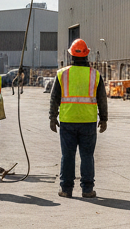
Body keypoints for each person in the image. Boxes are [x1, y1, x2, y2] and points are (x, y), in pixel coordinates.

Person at [49, 39, 108, 199]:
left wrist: (52, 117)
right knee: (87, 156)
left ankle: (66, 189)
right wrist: (104, 119)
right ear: (87, 54)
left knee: (67, 156)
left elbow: (54, 97)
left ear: (71, 55)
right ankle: (87, 190)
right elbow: (102, 98)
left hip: (68, 121)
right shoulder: (94, 75)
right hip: (88, 122)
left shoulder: (62, 73)